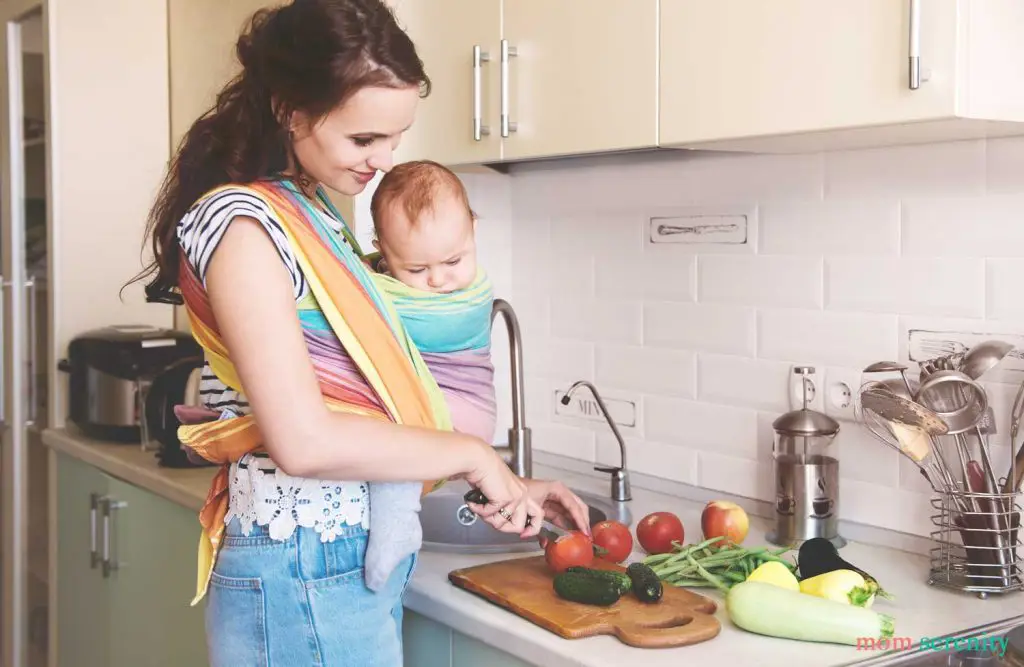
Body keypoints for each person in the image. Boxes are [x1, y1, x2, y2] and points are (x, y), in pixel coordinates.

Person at [131, 1, 590, 665]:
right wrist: (471, 453)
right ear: (291, 109)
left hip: (329, 556)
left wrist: (506, 480)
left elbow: (366, 396)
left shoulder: (311, 212)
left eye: (394, 139)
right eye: (364, 139)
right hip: (302, 561)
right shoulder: (244, 227)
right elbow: (305, 440)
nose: (383, 160)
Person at [359, 159, 500, 592]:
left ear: (473, 229)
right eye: (416, 271)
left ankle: (397, 521)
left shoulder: (465, 298)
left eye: (454, 260)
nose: (440, 280)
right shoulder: (403, 276)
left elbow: (352, 301)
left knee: (389, 441)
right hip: (451, 413)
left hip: (458, 410)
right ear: (382, 250)